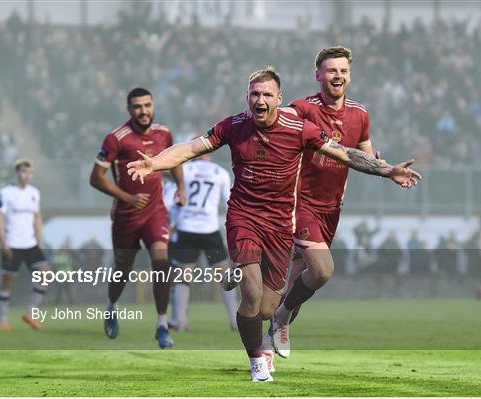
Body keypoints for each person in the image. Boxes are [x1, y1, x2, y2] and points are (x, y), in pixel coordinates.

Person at [127, 67, 421, 382]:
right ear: (247, 98)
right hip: (244, 217)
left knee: (267, 308)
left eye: (267, 94)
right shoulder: (233, 126)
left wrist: (387, 169)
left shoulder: (300, 128)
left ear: (279, 100)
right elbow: (190, 149)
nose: (260, 100)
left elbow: (345, 154)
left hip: (281, 225)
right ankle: (257, 363)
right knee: (251, 296)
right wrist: (155, 163)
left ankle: (241, 278)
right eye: (255, 94)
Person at [260, 46, 379, 363]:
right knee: (323, 270)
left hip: (331, 208)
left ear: (349, 75)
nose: (337, 76)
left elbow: (364, 154)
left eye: (343, 70)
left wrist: (383, 165)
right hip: (300, 203)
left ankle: (266, 344)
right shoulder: (302, 109)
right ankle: (280, 318)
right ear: (318, 75)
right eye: (331, 70)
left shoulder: (360, 114)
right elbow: (274, 126)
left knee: (300, 283)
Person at [89, 87, 185, 348]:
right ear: (129, 110)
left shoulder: (164, 133)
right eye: (137, 107)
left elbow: (175, 159)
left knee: (161, 262)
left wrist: (181, 186)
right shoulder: (116, 138)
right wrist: (127, 197)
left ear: (153, 106)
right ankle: (111, 307)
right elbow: (95, 178)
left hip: (155, 211)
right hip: (126, 215)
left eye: (147, 105)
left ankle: (162, 325)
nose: (143, 111)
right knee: (123, 268)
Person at [167, 154, 238, 331]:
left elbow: (170, 200)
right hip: (210, 230)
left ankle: (180, 321)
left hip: (186, 228)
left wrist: (172, 222)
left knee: (183, 275)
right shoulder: (220, 172)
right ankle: (235, 321)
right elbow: (230, 202)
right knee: (225, 275)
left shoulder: (184, 170)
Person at [0, 159, 52, 331]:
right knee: (7, 281)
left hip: (31, 243)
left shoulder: (34, 193)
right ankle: (4, 320)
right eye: (23, 172)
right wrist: (3, 242)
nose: (27, 175)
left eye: (29, 172)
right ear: (17, 173)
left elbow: (37, 218)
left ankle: (31, 313)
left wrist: (40, 242)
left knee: (46, 274)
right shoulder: (5, 193)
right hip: (12, 243)